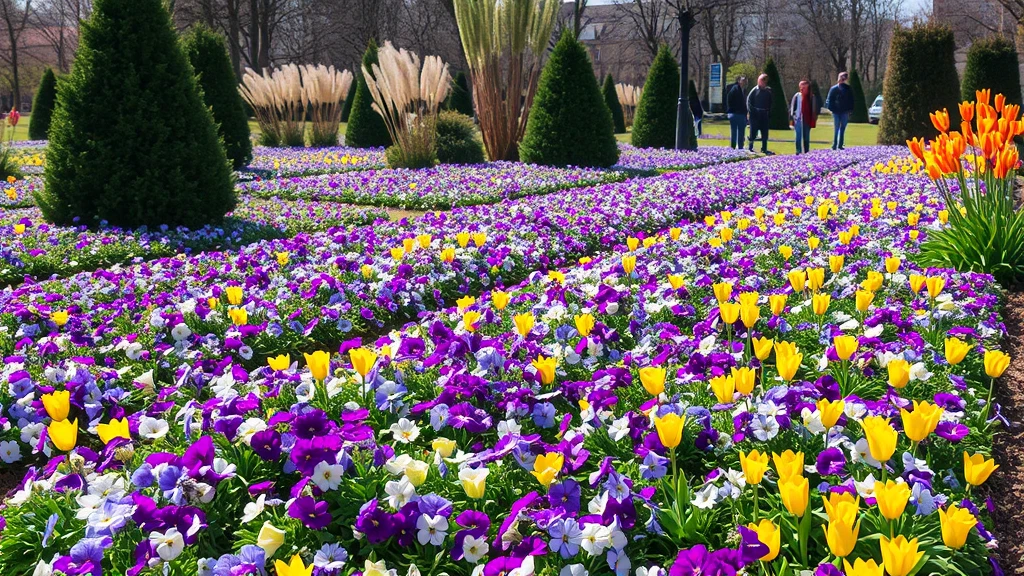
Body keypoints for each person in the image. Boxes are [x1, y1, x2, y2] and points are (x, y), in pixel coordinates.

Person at [825, 71, 854, 150]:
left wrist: (850, 109)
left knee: (843, 127)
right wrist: (831, 109)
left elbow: (851, 100)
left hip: (844, 111)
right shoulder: (833, 89)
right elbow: (829, 100)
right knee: (836, 127)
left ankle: (840, 144)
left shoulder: (848, 89)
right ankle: (835, 144)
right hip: (836, 111)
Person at [789, 80, 819, 154]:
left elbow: (815, 110)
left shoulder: (811, 97)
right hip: (798, 119)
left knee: (806, 137)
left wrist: (813, 119)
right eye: (800, 87)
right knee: (798, 137)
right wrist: (791, 119)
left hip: (807, 120)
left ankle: (806, 152)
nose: (802, 89)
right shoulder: (796, 96)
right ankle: (798, 151)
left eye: (804, 88)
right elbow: (792, 108)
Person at [746, 74, 773, 154]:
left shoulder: (768, 91)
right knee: (753, 131)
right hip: (755, 114)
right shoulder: (754, 90)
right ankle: (750, 147)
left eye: (765, 81)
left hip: (764, 114)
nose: (764, 83)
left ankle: (764, 148)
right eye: (762, 81)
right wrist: (751, 112)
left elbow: (771, 102)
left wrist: (769, 111)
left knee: (764, 132)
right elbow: (749, 101)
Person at [725, 76, 747, 149]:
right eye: (742, 81)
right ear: (739, 81)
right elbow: (730, 99)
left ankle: (740, 147)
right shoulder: (735, 89)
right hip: (735, 113)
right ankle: (733, 146)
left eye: (745, 81)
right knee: (734, 131)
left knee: (741, 132)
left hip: (741, 114)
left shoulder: (743, 90)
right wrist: (731, 110)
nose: (744, 82)